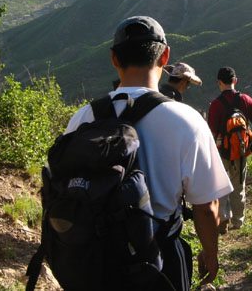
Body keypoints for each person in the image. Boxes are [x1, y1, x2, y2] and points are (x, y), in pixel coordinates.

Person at [63, 16, 233, 291]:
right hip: (159, 260)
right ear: (165, 57)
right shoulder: (187, 121)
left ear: (114, 59)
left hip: (96, 260)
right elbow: (205, 207)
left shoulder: (82, 118)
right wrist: (210, 254)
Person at [207, 67, 252, 234]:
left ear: (219, 83)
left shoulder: (216, 104)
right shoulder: (246, 99)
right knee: (239, 185)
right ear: (235, 81)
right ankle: (238, 221)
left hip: (221, 151)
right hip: (241, 150)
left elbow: (212, 131)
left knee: (221, 185)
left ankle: (223, 218)